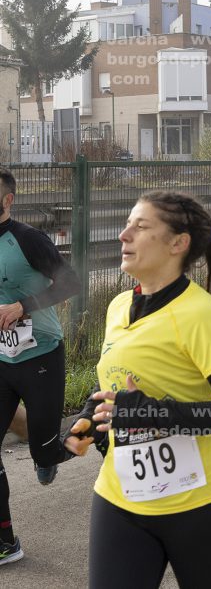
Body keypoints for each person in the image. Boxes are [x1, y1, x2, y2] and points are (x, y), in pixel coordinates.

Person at [62, 190, 211, 588]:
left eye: (140, 227)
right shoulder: (118, 306)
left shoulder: (200, 315)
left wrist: (149, 412)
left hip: (203, 506)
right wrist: (92, 416)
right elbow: (120, 382)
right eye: (127, 224)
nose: (124, 235)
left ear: (178, 243)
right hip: (121, 499)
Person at [0, 168, 81, 566]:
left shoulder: (28, 239)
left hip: (41, 355)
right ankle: (5, 542)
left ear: (7, 200)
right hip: (1, 359)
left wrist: (22, 306)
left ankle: (70, 441)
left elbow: (72, 283)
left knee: (45, 451)